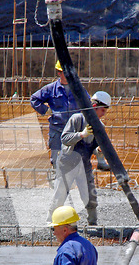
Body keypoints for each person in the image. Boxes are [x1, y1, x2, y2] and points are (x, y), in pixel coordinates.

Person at [30, 60, 109, 171]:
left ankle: (98, 162)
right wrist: (46, 110)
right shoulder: (51, 89)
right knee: (56, 159)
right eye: (64, 72)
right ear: (59, 72)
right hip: (57, 128)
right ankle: (57, 179)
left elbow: (88, 104)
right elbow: (34, 99)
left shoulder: (78, 89)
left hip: (74, 128)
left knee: (80, 154)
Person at [46, 91, 111, 226]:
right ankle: (51, 222)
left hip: (84, 165)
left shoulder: (100, 127)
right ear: (94, 106)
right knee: (60, 194)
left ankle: (92, 223)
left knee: (90, 196)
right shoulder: (76, 119)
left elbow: (92, 147)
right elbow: (64, 139)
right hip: (67, 163)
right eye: (102, 110)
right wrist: (81, 134)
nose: (104, 114)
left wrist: (97, 151)